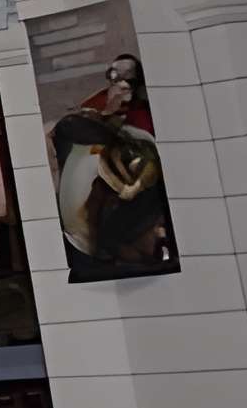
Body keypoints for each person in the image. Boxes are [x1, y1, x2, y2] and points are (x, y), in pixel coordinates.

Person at [48, 51, 174, 277]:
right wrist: (108, 111)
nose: (121, 84)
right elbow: (75, 126)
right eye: (115, 76)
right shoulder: (100, 104)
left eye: (128, 78)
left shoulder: (145, 112)